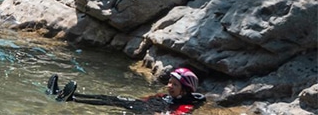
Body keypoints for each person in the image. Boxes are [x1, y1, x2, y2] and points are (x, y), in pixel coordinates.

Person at [48, 67, 206, 113]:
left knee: (110, 103)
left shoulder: (185, 106)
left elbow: (177, 113)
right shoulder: (169, 95)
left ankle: (72, 98)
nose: (169, 86)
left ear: (185, 91)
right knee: (114, 98)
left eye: (175, 85)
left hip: (146, 112)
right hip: (143, 105)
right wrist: (143, 99)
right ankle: (62, 92)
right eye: (170, 82)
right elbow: (153, 97)